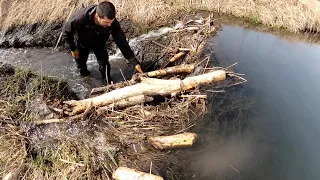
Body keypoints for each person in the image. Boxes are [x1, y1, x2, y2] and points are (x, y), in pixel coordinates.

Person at [62, 1, 143, 84]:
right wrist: (72, 48)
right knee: (81, 66)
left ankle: (107, 82)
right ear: (97, 16)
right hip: (82, 42)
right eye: (106, 22)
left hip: (99, 42)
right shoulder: (79, 18)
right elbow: (66, 32)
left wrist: (134, 62)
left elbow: (121, 42)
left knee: (104, 63)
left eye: (111, 22)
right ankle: (85, 81)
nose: (109, 25)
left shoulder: (112, 23)